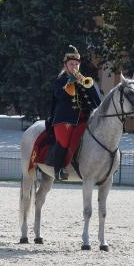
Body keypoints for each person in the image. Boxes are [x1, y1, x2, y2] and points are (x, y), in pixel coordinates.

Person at [47, 45, 101, 180]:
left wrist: (87, 84)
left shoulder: (85, 80)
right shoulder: (60, 81)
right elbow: (60, 96)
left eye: (77, 64)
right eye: (71, 64)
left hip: (85, 118)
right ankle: (58, 170)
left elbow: (96, 100)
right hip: (65, 119)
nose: (75, 67)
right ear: (65, 66)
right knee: (64, 142)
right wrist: (70, 82)